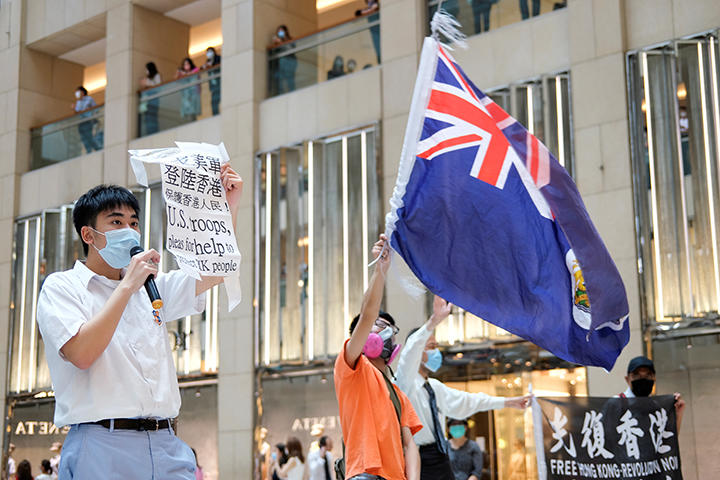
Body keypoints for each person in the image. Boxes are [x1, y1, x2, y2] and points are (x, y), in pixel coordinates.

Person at [36, 164, 243, 478]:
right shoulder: (62, 287)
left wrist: (228, 206)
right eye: (116, 222)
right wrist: (127, 286)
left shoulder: (151, 286)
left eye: (134, 222)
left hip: (166, 442)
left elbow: (214, 269)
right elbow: (81, 353)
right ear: (88, 234)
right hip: (102, 443)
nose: (130, 231)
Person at [396, 295, 529, 480]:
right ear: (420, 352)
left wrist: (507, 402)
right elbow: (409, 353)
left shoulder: (434, 387)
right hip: (418, 458)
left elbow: (468, 401)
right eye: (431, 347)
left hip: (441, 456)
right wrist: (433, 321)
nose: (436, 352)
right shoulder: (405, 384)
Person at [334, 233, 422, 480]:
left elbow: (409, 445)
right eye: (375, 325)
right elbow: (368, 312)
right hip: (364, 474)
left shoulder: (399, 396)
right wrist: (380, 270)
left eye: (385, 327)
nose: (379, 330)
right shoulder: (351, 366)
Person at [620, 355, 686, 429]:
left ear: (654, 378)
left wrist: (677, 414)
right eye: (636, 375)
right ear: (627, 379)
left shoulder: (657, 408)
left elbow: (667, 439)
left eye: (648, 375)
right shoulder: (615, 405)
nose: (642, 379)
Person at [270, 26, 297, 95]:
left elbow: (291, 49)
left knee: (289, 77)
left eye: (281, 31)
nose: (280, 33)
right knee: (280, 78)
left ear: (286, 31)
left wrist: (282, 42)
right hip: (281, 62)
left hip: (290, 60)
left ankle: (292, 92)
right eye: (279, 31)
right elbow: (273, 52)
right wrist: (276, 43)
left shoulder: (290, 39)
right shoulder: (277, 41)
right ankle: (281, 93)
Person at [72, 86, 100, 153]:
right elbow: (78, 112)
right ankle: (88, 151)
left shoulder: (89, 99)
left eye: (78, 91)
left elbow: (96, 108)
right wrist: (74, 109)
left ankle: (98, 148)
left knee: (89, 136)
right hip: (81, 121)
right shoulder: (78, 102)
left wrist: (91, 113)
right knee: (83, 137)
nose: (77, 93)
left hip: (88, 120)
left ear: (82, 92)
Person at [139, 62, 163, 136]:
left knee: (153, 115)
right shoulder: (148, 78)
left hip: (154, 99)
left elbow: (158, 86)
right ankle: (149, 132)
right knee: (148, 117)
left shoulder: (157, 76)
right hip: (148, 100)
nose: (146, 71)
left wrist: (147, 82)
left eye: (147, 69)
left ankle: (154, 131)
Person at [175, 57, 201, 121]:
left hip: (194, 93)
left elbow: (196, 71)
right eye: (184, 64)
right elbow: (176, 78)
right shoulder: (182, 74)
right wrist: (178, 72)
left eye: (187, 64)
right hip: (186, 94)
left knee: (193, 110)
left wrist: (185, 74)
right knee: (187, 109)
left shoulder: (195, 70)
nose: (186, 66)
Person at [202, 47, 221, 116]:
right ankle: (215, 114)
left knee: (218, 99)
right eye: (207, 52)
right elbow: (201, 69)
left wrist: (211, 66)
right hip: (213, 85)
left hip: (219, 83)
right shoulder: (207, 61)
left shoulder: (218, 58)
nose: (208, 54)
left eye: (210, 52)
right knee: (214, 102)